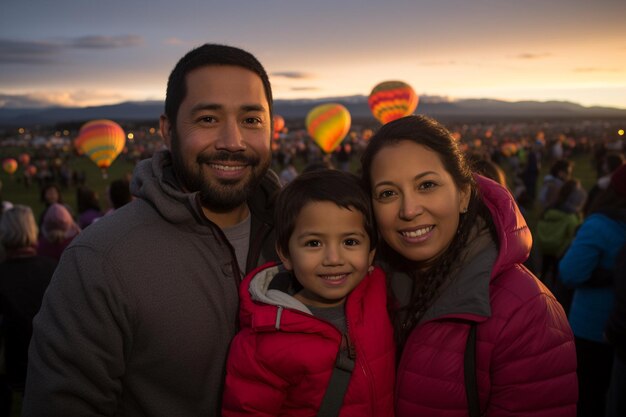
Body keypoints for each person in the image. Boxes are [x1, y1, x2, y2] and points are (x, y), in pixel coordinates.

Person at [23, 43, 281, 417]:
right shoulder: (101, 259)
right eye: (208, 119)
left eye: (251, 120)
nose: (232, 141)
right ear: (166, 129)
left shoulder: (305, 237)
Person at [360, 115, 577, 417]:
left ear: (463, 195)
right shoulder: (361, 291)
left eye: (427, 185)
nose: (409, 210)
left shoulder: (525, 312)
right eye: (387, 193)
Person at [222, 170, 394, 417]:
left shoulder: (380, 292)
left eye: (350, 242)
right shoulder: (263, 342)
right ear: (286, 254)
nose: (333, 259)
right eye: (314, 243)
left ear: (371, 253)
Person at [559, 163, 626, 417]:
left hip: (591, 328)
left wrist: (605, 276)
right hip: (619, 331)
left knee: (588, 396)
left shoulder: (600, 225)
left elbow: (570, 272)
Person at [0, 206, 56, 398]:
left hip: (16, 366)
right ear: (32, 230)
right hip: (50, 363)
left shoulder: (3, 274)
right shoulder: (52, 268)